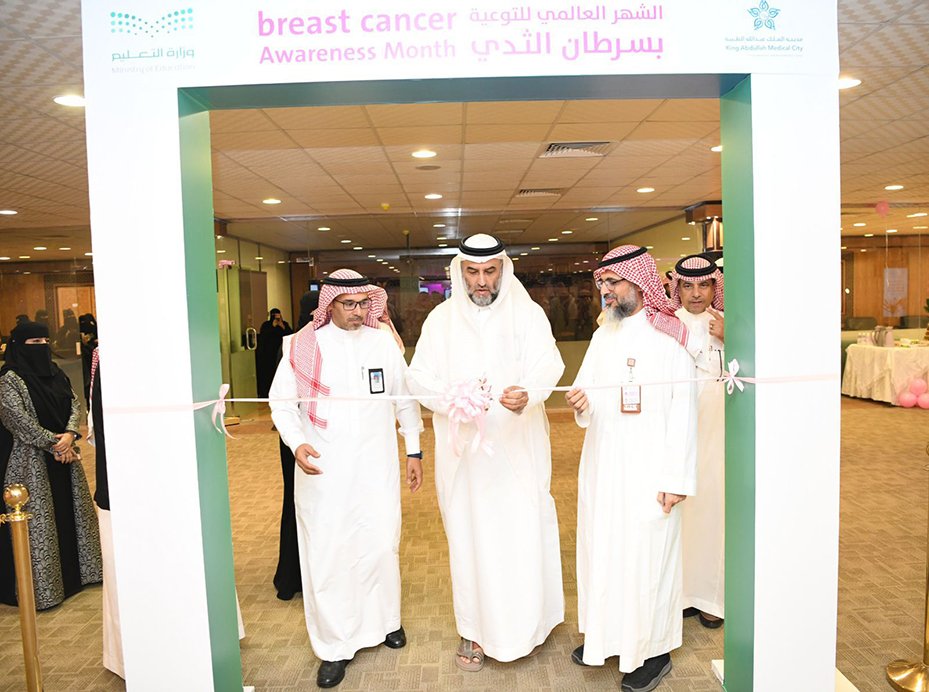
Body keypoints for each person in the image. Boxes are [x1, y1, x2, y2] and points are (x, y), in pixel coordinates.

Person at [407, 234, 565, 671]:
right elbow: (417, 378)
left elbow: (549, 363)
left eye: (490, 271)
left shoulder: (527, 314)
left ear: (503, 270)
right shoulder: (440, 321)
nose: (482, 281)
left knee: (521, 535)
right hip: (466, 461)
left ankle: (528, 628)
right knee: (469, 541)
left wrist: (529, 392)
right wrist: (451, 399)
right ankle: (473, 631)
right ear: (460, 272)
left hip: (517, 452)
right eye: (473, 272)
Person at [270, 269, 424, 689]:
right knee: (330, 553)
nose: (358, 311)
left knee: (380, 544)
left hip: (376, 465)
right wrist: (297, 442)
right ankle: (334, 647)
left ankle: (386, 621)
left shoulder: (382, 342)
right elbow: (281, 403)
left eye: (363, 304)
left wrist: (413, 449)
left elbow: (404, 399)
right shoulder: (302, 346)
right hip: (325, 468)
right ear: (330, 305)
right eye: (349, 304)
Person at [565, 245, 697, 692]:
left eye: (613, 282)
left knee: (648, 559)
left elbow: (685, 412)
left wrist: (676, 479)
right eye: (602, 283)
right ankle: (606, 637)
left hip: (650, 469)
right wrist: (581, 403)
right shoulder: (603, 336)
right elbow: (587, 391)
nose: (605, 291)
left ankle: (654, 652)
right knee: (604, 551)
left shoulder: (670, 339)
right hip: (604, 464)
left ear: (639, 282)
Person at [0, 321, 102, 610]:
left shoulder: (56, 372)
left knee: (71, 513)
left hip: (64, 456)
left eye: (45, 341)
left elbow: (74, 403)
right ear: (19, 346)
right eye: (35, 343)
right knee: (40, 524)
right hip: (28, 461)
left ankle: (80, 576)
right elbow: (16, 418)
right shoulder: (9, 380)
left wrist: (69, 435)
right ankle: (46, 588)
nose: (42, 346)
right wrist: (55, 444)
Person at [669, 254, 726, 629]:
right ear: (677, 288)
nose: (695, 293)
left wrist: (731, 337)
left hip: (717, 437)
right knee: (679, 516)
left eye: (703, 285)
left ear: (713, 287)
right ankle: (681, 594)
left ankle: (710, 598)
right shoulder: (665, 324)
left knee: (712, 512)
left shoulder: (727, 323)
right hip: (676, 435)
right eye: (687, 286)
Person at [256, 308, 293, 400]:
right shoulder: (266, 325)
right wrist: (272, 327)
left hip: (281, 353)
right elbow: (264, 338)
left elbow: (290, 335)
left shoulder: (284, 324)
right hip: (268, 355)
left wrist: (282, 326)